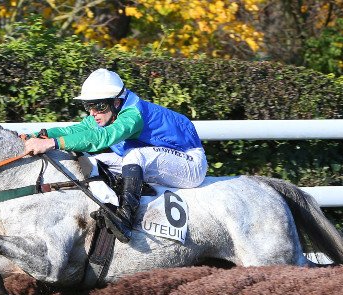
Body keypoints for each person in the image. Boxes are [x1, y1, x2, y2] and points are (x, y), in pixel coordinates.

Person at [23, 68, 208, 243]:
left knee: (135, 155)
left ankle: (126, 220)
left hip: (191, 164)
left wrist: (51, 143)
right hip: (160, 159)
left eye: (99, 106)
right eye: (89, 106)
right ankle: (109, 204)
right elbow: (73, 130)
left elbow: (102, 138)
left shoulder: (133, 115)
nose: (93, 113)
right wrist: (34, 135)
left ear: (117, 102)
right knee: (93, 161)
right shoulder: (108, 112)